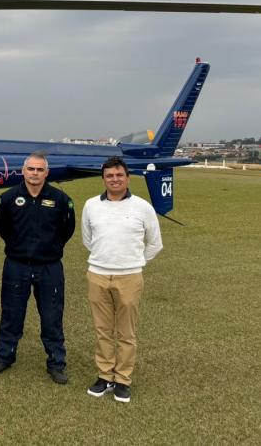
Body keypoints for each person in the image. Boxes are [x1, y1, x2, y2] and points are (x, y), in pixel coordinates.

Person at [81, 156, 162, 403]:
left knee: (126, 333)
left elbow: (155, 244)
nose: (114, 179)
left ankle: (123, 379)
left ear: (127, 178)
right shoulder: (91, 205)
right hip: (97, 275)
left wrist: (133, 262)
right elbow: (88, 239)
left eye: (119, 175)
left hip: (130, 277)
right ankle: (105, 376)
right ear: (103, 179)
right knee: (103, 330)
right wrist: (105, 260)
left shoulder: (143, 207)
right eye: (109, 176)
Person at [0, 152, 75, 384]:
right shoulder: (8, 198)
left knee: (51, 317)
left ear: (47, 173)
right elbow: (3, 229)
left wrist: (48, 248)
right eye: (31, 169)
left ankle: (56, 363)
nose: (35, 173)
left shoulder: (60, 199)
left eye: (40, 170)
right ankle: (4, 357)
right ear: (23, 171)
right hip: (16, 266)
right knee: (11, 314)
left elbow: (67, 230)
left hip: (49, 268)